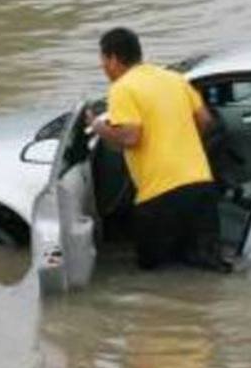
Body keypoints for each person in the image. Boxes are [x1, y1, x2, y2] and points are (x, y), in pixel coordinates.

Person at [87, 27, 229, 272]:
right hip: (200, 186)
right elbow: (206, 121)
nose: (102, 66)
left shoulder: (122, 88)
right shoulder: (174, 79)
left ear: (113, 58)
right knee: (209, 267)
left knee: (154, 275)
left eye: (102, 60)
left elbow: (131, 136)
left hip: (160, 196)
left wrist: (98, 127)